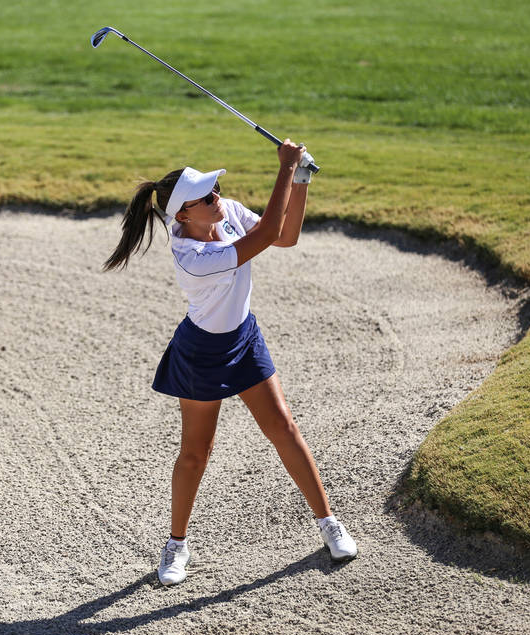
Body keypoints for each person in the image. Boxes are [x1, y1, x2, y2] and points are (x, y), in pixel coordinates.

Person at [103, 140, 358, 586]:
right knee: (196, 453)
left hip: (244, 338)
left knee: (284, 429)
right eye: (206, 197)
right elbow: (262, 240)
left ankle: (328, 522)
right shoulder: (192, 257)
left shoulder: (228, 212)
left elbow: (286, 236)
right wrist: (284, 168)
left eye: (215, 189)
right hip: (201, 352)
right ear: (183, 215)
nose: (216, 197)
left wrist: (300, 180)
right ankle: (176, 545)